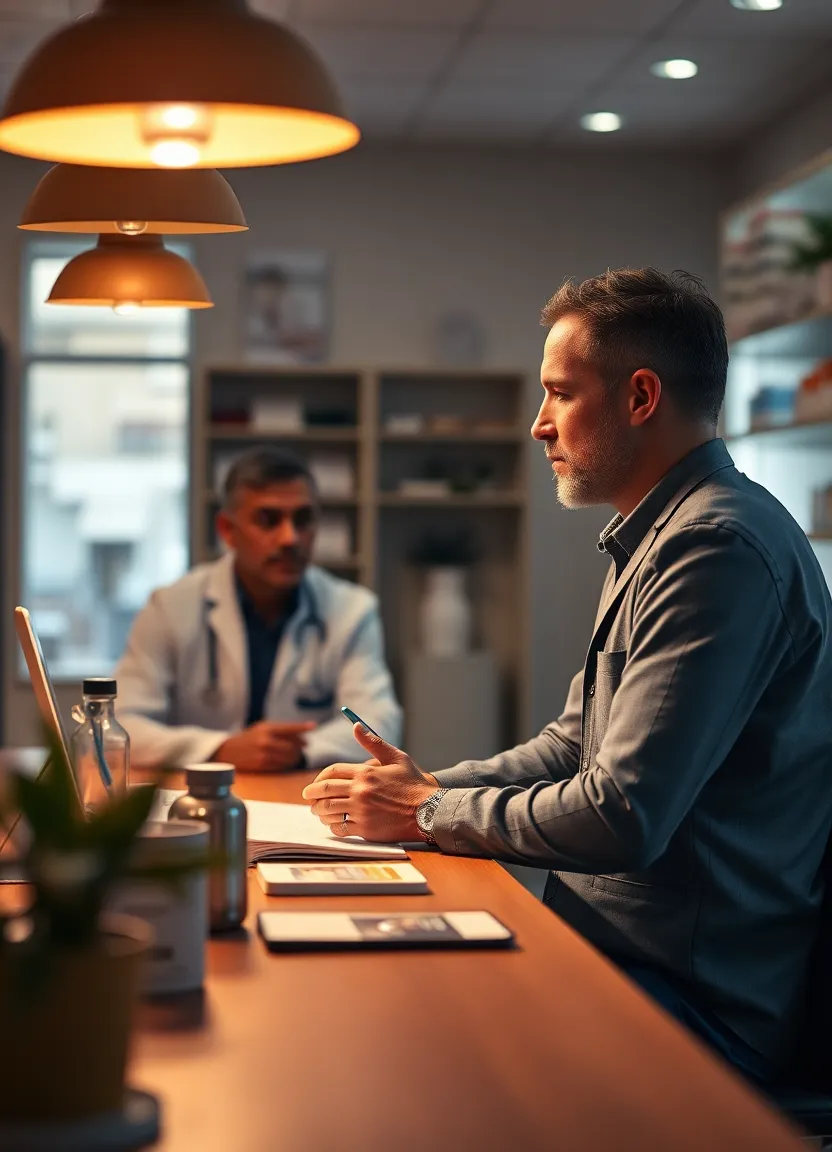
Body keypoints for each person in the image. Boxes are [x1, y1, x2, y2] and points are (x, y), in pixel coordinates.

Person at [303, 268, 832, 1083]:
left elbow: (622, 815)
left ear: (641, 396)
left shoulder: (714, 547)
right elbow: (574, 744)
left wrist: (434, 810)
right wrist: (426, 789)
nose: (537, 426)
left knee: (396, 1049)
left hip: (692, 1001)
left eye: (558, 393)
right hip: (625, 959)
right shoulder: (657, 532)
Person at [115, 447, 401, 771]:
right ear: (227, 530)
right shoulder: (169, 607)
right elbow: (121, 726)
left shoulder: (351, 610)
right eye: (268, 520)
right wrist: (219, 749)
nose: (290, 538)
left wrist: (297, 750)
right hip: (199, 795)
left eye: (303, 519)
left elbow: (380, 724)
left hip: (301, 797)